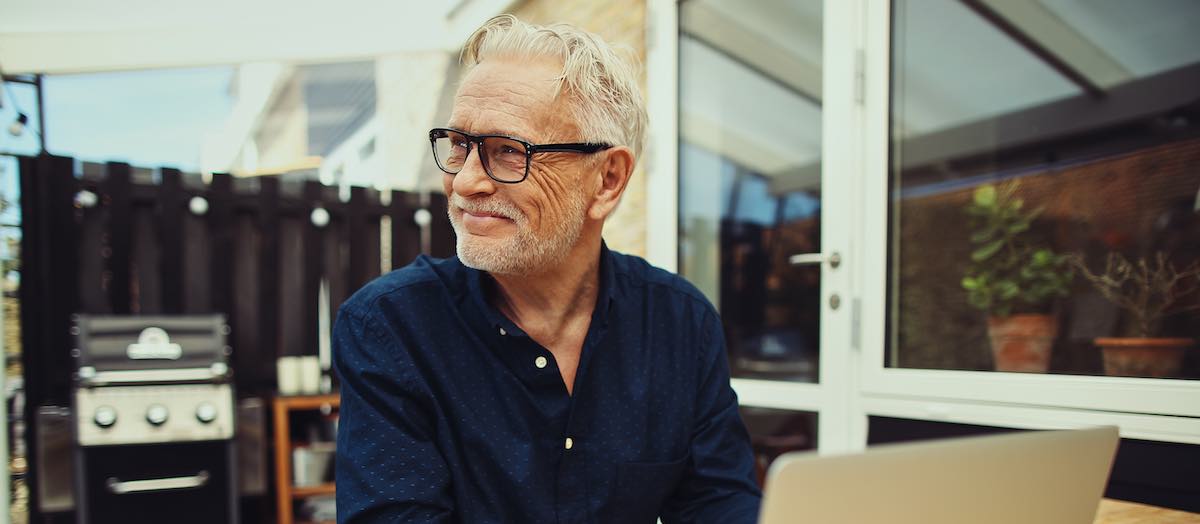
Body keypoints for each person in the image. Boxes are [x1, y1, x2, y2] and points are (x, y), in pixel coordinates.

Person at [333, 14, 761, 523]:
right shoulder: (391, 328)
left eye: (508, 152)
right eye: (459, 145)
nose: (465, 182)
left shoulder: (679, 322)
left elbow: (721, 505)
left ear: (607, 178)